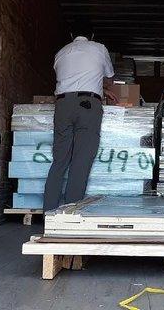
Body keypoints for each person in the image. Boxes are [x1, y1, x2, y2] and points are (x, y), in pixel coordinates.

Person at [43, 34, 118, 212]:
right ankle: (69, 214)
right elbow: (109, 77)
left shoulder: (60, 52)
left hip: (62, 105)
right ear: (91, 36)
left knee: (60, 161)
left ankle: (48, 212)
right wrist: (103, 88)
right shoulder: (99, 48)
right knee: (81, 161)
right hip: (88, 105)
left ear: (70, 35)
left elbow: (71, 77)